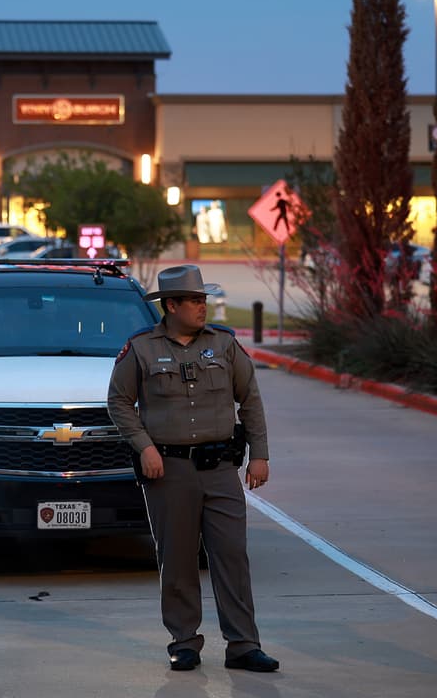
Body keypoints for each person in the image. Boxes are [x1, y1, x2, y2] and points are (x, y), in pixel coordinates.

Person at [107, 264, 280, 674]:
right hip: (168, 471)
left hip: (220, 469)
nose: (204, 307)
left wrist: (259, 454)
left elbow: (250, 399)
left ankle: (243, 644)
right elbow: (118, 402)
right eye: (195, 301)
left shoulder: (224, 344)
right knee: (178, 559)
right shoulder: (141, 348)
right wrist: (145, 447)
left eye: (204, 299)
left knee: (232, 556)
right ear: (171, 306)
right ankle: (184, 642)